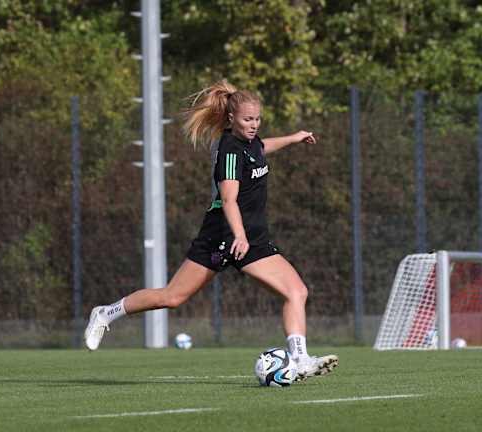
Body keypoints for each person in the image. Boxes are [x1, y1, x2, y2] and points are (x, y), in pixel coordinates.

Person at [84, 80, 338, 381]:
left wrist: (294, 138)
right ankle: (105, 313)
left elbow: (262, 147)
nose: (254, 125)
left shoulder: (250, 143)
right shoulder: (230, 149)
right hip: (223, 236)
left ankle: (301, 359)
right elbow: (229, 199)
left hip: (252, 239)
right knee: (171, 297)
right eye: (247, 119)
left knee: (296, 291)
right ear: (232, 118)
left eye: (257, 119)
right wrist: (239, 236)